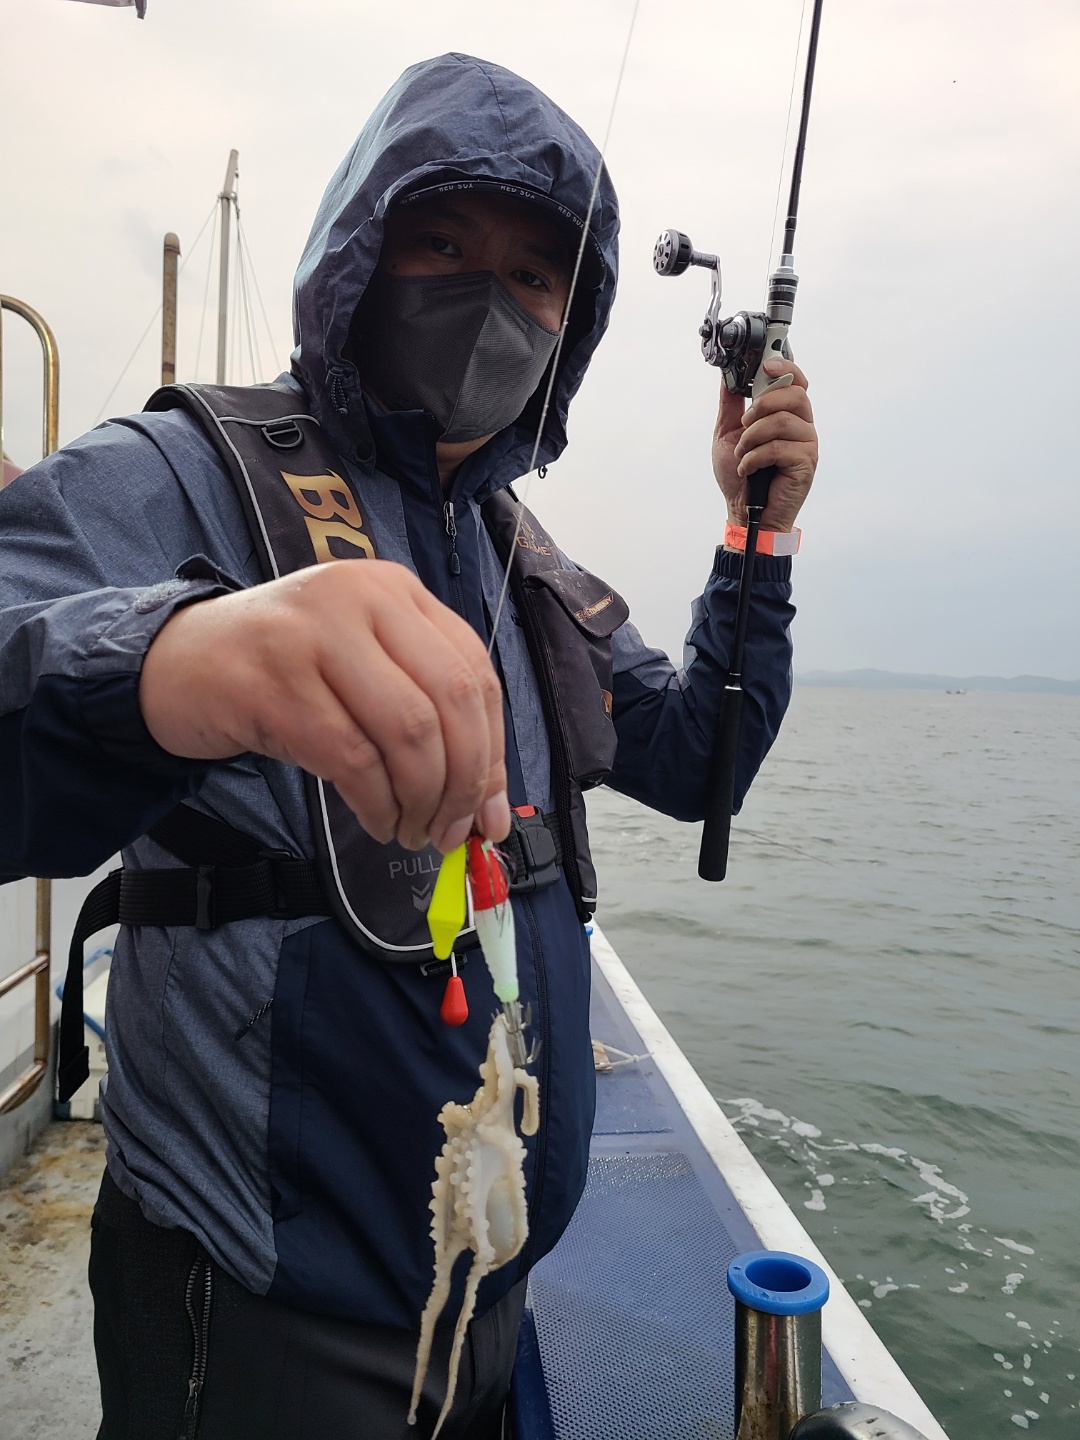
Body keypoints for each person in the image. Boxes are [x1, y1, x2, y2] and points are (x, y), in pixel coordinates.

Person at [0, 53, 817, 1440]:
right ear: (360, 253)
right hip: (260, 1316)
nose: (490, 300)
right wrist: (179, 657)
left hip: (495, 1288)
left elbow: (696, 760)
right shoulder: (187, 470)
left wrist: (757, 537)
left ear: (571, 323)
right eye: (444, 243)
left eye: (535, 276)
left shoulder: (520, 557)